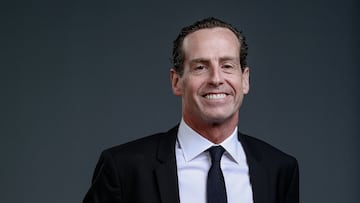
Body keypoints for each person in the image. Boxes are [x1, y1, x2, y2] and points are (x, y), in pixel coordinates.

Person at [83, 17, 299, 203]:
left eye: (227, 65)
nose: (216, 79)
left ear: (245, 80)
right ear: (177, 82)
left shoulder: (279, 169)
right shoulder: (124, 168)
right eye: (200, 67)